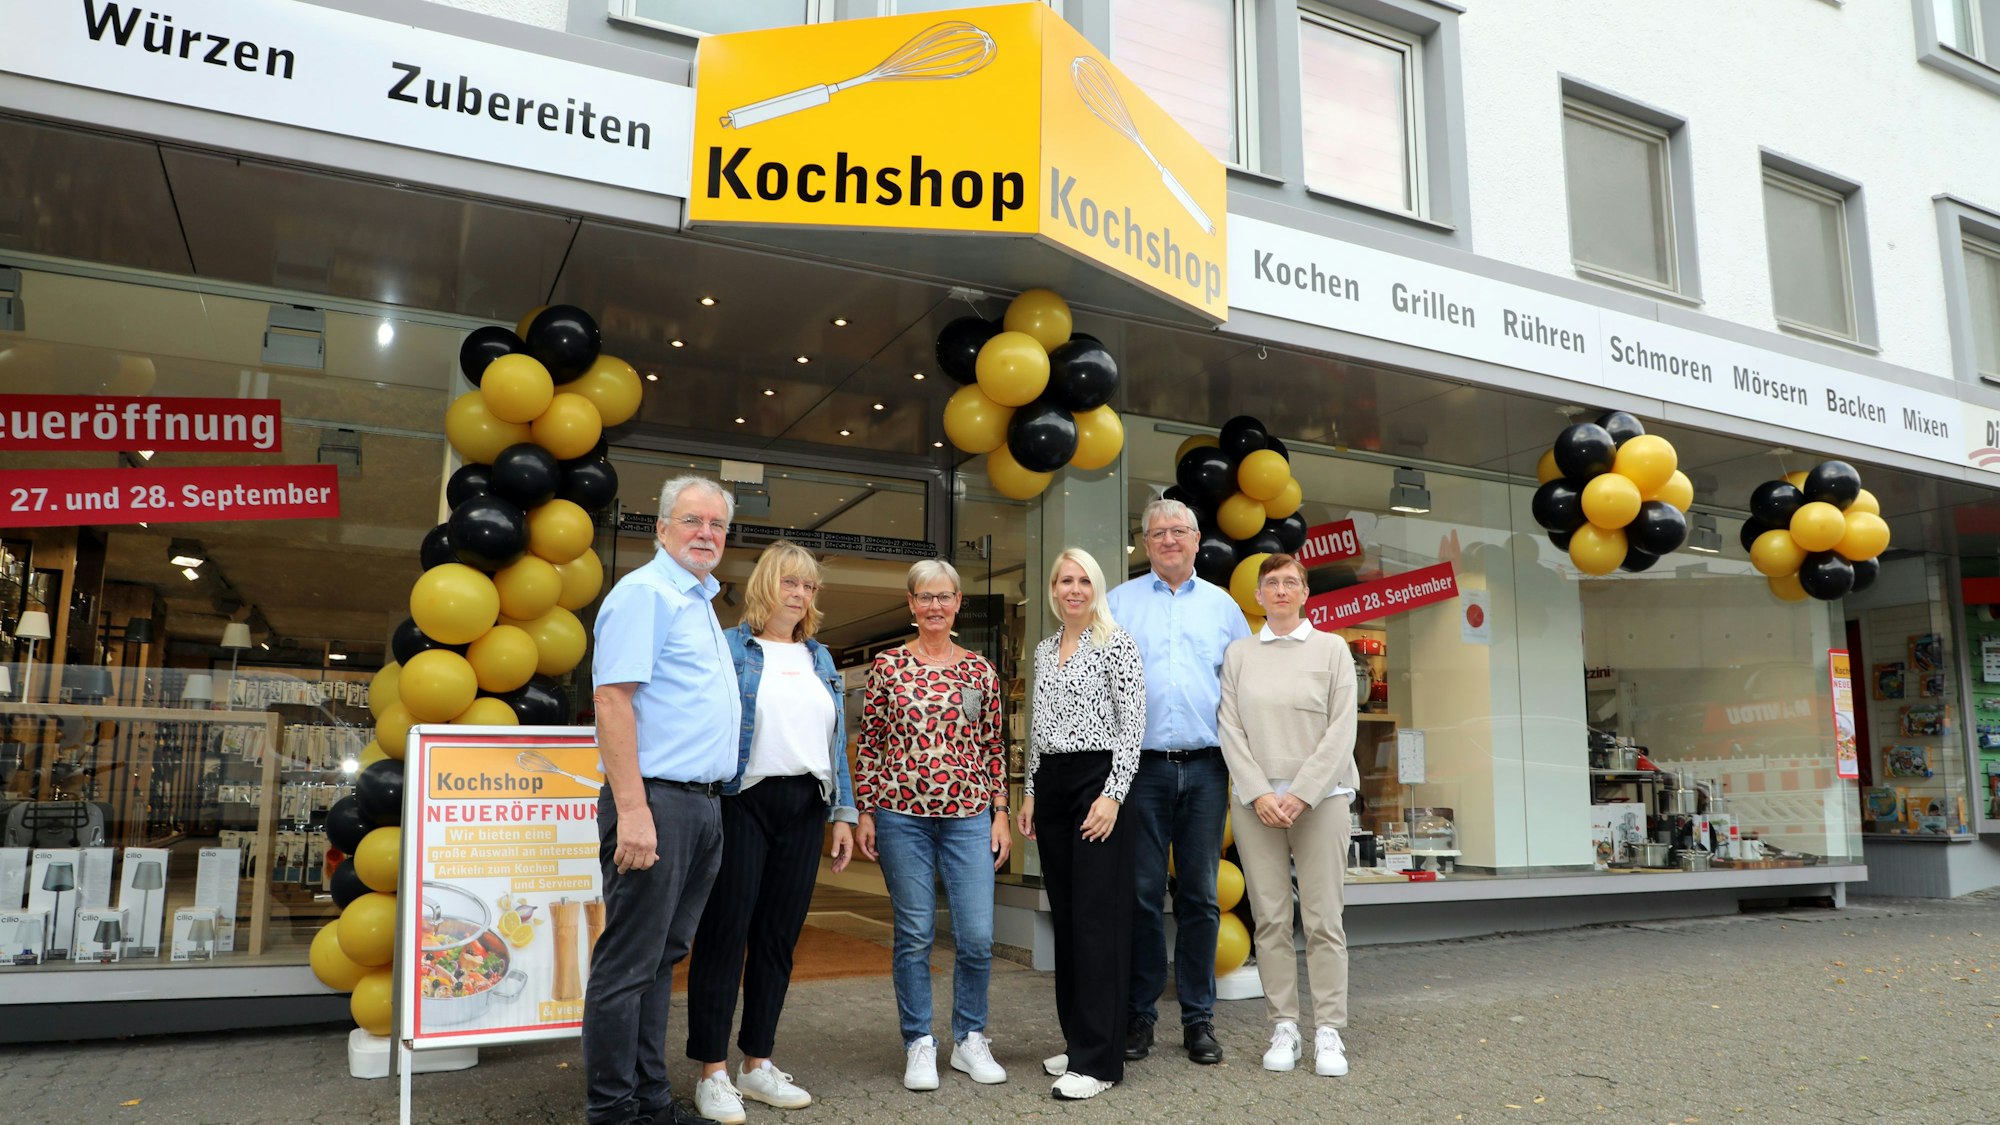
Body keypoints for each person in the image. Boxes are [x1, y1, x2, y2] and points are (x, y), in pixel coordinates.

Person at [684, 540, 859, 1124]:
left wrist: (843, 812)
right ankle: (711, 1072)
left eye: (809, 586)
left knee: (778, 939)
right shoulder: (728, 647)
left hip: (805, 804)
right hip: (741, 801)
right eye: (790, 582)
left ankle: (756, 1063)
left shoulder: (820, 657)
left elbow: (835, 742)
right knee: (724, 934)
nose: (800, 594)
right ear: (765, 585)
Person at [584, 475, 740, 1125]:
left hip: (699, 805)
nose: (706, 533)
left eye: (717, 524)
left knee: (659, 961)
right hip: (656, 802)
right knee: (628, 965)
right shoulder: (646, 593)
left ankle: (649, 1102)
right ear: (661, 528)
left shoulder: (696, 601)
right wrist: (634, 809)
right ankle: (613, 1111)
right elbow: (612, 699)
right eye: (692, 520)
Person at [854, 559, 1011, 1093]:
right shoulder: (887, 666)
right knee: (915, 934)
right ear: (911, 604)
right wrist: (867, 811)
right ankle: (919, 1041)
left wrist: (1000, 813)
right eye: (926, 597)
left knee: (977, 936)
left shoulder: (980, 671)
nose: (936, 606)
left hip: (969, 816)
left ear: (959, 602)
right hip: (901, 817)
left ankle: (969, 1037)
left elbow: (993, 747)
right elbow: (871, 743)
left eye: (945, 596)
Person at [1105, 497, 1250, 1066]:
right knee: (1141, 895)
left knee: (1200, 896)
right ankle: (1140, 1015)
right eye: (1158, 532)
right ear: (1145, 544)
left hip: (1208, 768)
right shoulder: (1118, 604)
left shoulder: (1223, 607)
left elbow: (1243, 687)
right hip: (1139, 769)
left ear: (1195, 540)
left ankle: (1198, 1020)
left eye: (1178, 530)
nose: (1168, 539)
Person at [1217, 552, 1359, 1079]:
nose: (1281, 590)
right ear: (1258, 595)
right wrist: (1258, 792)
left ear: (1305, 593)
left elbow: (1342, 728)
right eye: (1272, 582)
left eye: (1291, 582)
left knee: (1323, 920)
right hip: (1256, 803)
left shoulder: (1332, 649)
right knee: (1271, 918)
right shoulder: (1239, 654)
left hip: (1322, 799)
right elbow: (1229, 728)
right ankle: (1284, 1026)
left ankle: (1329, 1030)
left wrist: (1302, 792)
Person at [1016, 548, 1146, 1101]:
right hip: (1052, 784)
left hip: (1099, 780)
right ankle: (1078, 1043)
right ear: (1053, 590)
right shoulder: (1045, 650)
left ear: (1097, 588)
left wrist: (1112, 796)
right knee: (1067, 918)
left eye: (1083, 581)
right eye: (1064, 581)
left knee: (1097, 922)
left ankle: (1099, 1062)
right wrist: (1029, 792)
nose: (1073, 589)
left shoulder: (1117, 643)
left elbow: (1133, 725)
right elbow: (1039, 727)